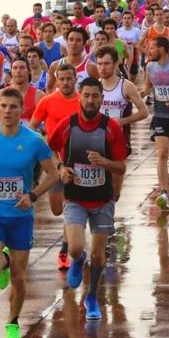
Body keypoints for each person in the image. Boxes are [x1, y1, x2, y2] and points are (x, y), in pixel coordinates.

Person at [0, 88, 58, 338]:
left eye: (13, 107)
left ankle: (13, 323)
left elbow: (53, 174)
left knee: (19, 275)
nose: (7, 111)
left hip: (21, 216)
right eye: (3, 106)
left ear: (21, 110)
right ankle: (2, 259)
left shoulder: (34, 140)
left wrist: (34, 195)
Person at [47, 78, 127, 321]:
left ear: (102, 99)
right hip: (75, 198)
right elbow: (50, 150)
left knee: (99, 255)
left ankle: (91, 297)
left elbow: (121, 167)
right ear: (79, 97)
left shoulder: (111, 128)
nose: (90, 100)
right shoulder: (67, 125)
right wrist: (60, 167)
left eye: (95, 96)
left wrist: (105, 163)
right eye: (87, 95)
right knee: (75, 247)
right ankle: (77, 260)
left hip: (102, 200)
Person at [29, 64, 81, 269]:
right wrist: (43, 142)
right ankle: (73, 235)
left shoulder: (82, 101)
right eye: (62, 79)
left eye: (69, 79)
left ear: (76, 79)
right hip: (53, 161)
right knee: (57, 210)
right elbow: (33, 126)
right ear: (57, 81)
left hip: (77, 161)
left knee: (71, 207)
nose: (66, 83)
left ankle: (65, 249)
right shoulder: (47, 101)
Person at [95, 45, 148, 161]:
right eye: (99, 64)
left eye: (106, 63)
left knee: (117, 177)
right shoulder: (93, 87)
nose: (102, 68)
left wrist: (122, 121)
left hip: (119, 139)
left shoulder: (126, 86)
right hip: (97, 139)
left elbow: (144, 112)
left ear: (115, 64)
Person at [143, 37, 169, 210]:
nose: (149, 50)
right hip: (160, 115)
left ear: (161, 49)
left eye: (152, 48)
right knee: (162, 153)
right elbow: (147, 87)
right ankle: (164, 191)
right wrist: (137, 93)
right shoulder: (150, 67)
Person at [47, 27, 98, 93]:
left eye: (78, 40)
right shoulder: (55, 65)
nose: (74, 43)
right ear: (67, 42)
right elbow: (49, 88)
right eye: (71, 39)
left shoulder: (91, 68)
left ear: (84, 44)